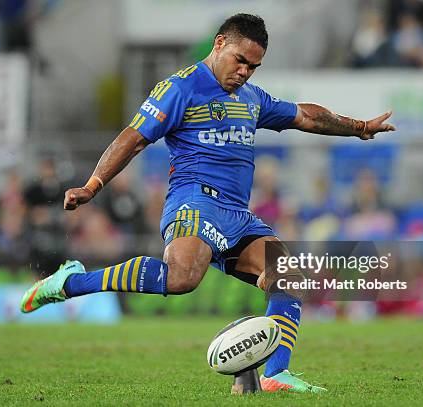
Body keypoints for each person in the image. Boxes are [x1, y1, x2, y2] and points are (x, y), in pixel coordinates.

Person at [20, 14, 395, 393]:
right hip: (194, 202)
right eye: (240, 60)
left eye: (253, 65)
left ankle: (275, 376)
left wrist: (360, 128)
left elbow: (306, 117)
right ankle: (72, 282)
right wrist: (93, 184)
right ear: (219, 44)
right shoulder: (180, 88)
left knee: (287, 274)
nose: (245, 71)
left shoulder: (252, 98)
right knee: (182, 278)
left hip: (237, 215)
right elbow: (134, 137)